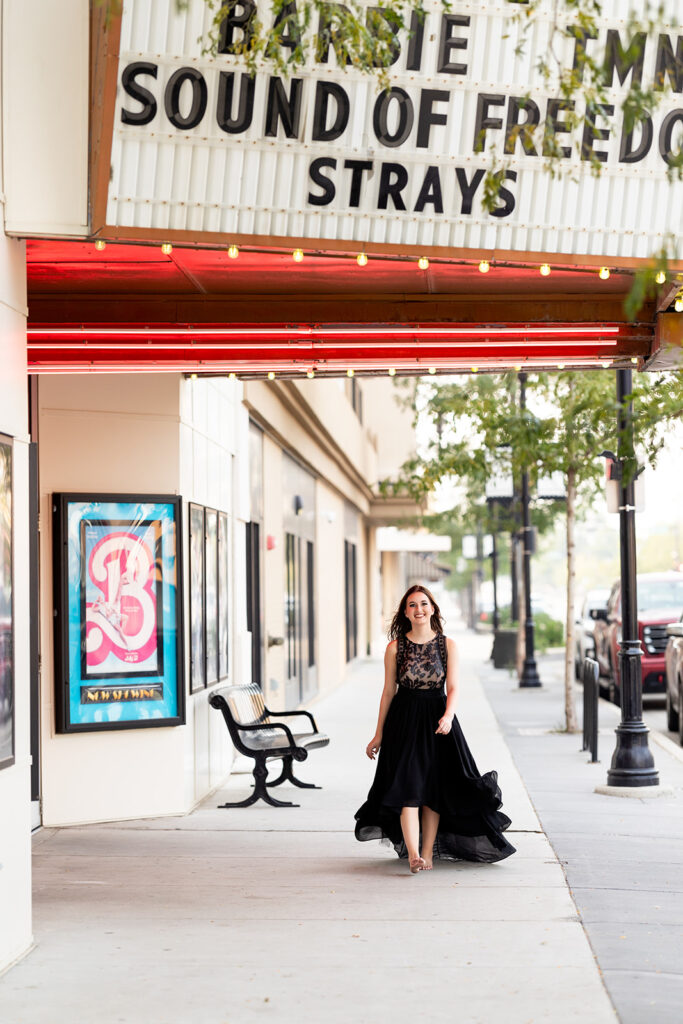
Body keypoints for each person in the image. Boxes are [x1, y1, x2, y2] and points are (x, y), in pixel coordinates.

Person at [354, 584, 516, 872]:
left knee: (434, 790)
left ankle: (427, 853)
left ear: (433, 609)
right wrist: (378, 734)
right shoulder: (395, 648)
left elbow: (453, 687)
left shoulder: (447, 645)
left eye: (424, 604)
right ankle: (414, 855)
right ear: (405, 612)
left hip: (437, 721)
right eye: (413, 605)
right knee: (408, 787)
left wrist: (448, 716)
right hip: (403, 721)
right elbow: (388, 692)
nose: (419, 609)